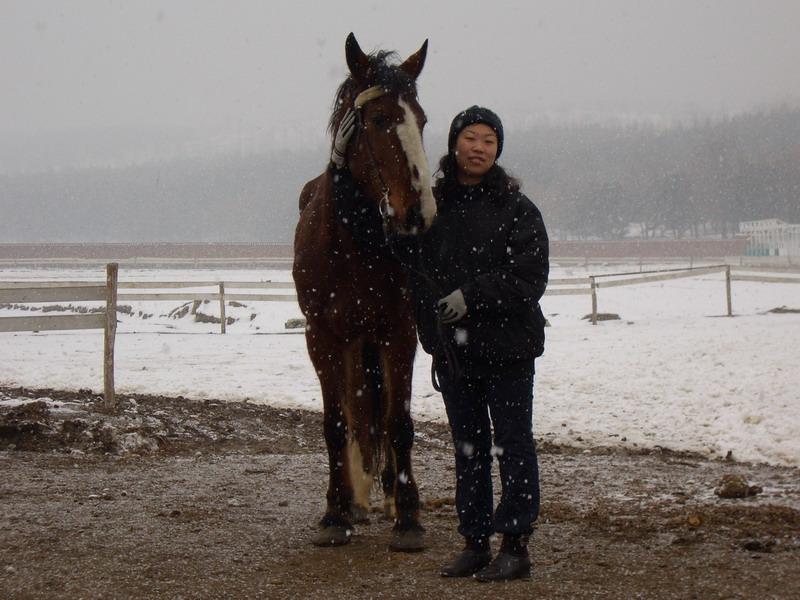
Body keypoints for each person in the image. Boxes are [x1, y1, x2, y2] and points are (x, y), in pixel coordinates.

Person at [331, 105, 549, 582]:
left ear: (498, 151)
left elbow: (530, 276)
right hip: (457, 355)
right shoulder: (433, 206)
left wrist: (470, 297)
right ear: (454, 144)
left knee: (513, 446)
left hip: (509, 351)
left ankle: (515, 544)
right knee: (468, 451)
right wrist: (339, 167)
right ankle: (474, 542)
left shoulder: (516, 207)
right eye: (471, 138)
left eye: (489, 141)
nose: (479, 148)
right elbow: (393, 245)